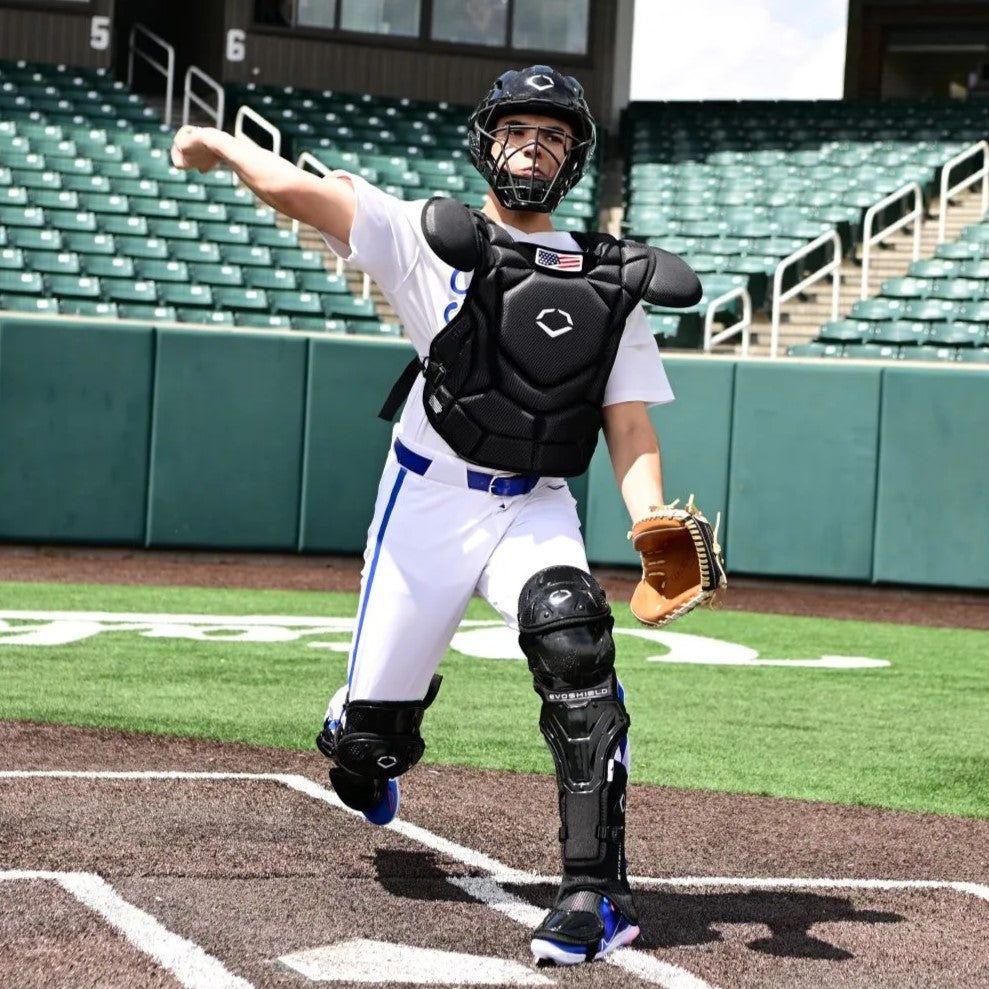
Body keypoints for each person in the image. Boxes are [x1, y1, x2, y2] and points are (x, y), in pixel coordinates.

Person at [170, 64, 702, 966]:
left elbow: (628, 420)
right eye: (515, 131)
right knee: (368, 754)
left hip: (532, 505)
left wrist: (650, 524)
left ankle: (595, 890)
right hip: (426, 499)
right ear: (485, 141)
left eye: (553, 135)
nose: (531, 148)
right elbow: (305, 193)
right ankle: (364, 733)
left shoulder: (608, 279)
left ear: (574, 158)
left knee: (572, 637)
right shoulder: (429, 235)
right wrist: (220, 145)